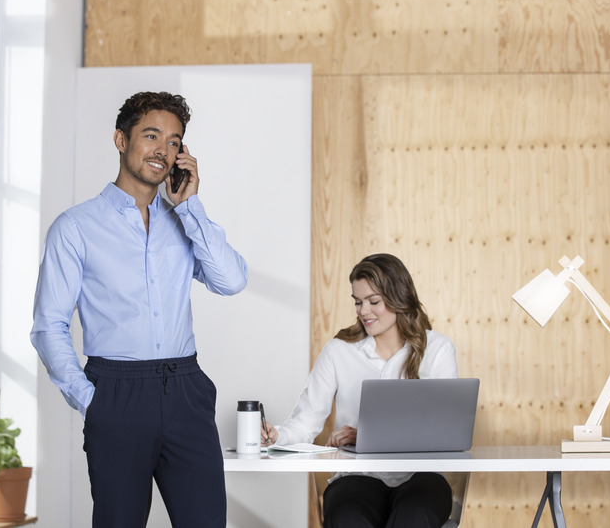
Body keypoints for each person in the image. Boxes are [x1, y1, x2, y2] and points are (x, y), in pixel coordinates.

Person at [30, 91, 248, 527]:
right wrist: (91, 402)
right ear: (120, 139)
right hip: (116, 393)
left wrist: (189, 206)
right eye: (151, 136)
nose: (162, 151)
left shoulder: (184, 222)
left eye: (174, 141)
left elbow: (231, 280)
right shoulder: (76, 227)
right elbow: (48, 326)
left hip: (185, 390)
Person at [261, 253, 457, 528]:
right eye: (358, 302)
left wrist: (365, 435)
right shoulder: (338, 351)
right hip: (357, 476)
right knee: (346, 517)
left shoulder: (437, 350)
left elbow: (444, 431)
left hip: (421, 476)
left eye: (373, 301)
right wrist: (276, 435)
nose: (364, 311)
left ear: (399, 297)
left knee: (414, 516)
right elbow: (306, 423)